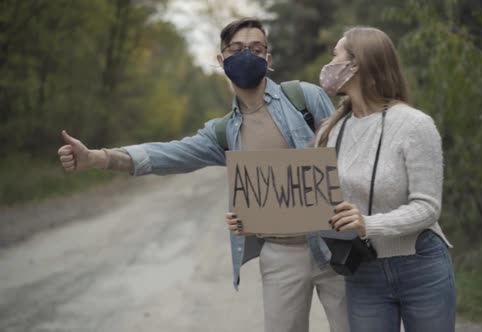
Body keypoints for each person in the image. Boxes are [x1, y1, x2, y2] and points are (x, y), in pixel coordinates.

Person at [57, 18, 349, 332]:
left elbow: (348, 158)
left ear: (268, 59)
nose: (247, 55)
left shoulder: (306, 98)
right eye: (237, 49)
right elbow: (165, 155)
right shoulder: (222, 132)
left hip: (335, 247)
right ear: (222, 60)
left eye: (256, 48)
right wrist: (98, 158)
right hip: (280, 256)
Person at [319, 27, 455, 332]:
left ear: (357, 64)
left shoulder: (414, 125)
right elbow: (309, 201)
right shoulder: (331, 132)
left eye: (336, 54)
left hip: (420, 264)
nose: (329, 64)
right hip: (362, 271)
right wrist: (250, 219)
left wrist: (368, 224)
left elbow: (427, 207)